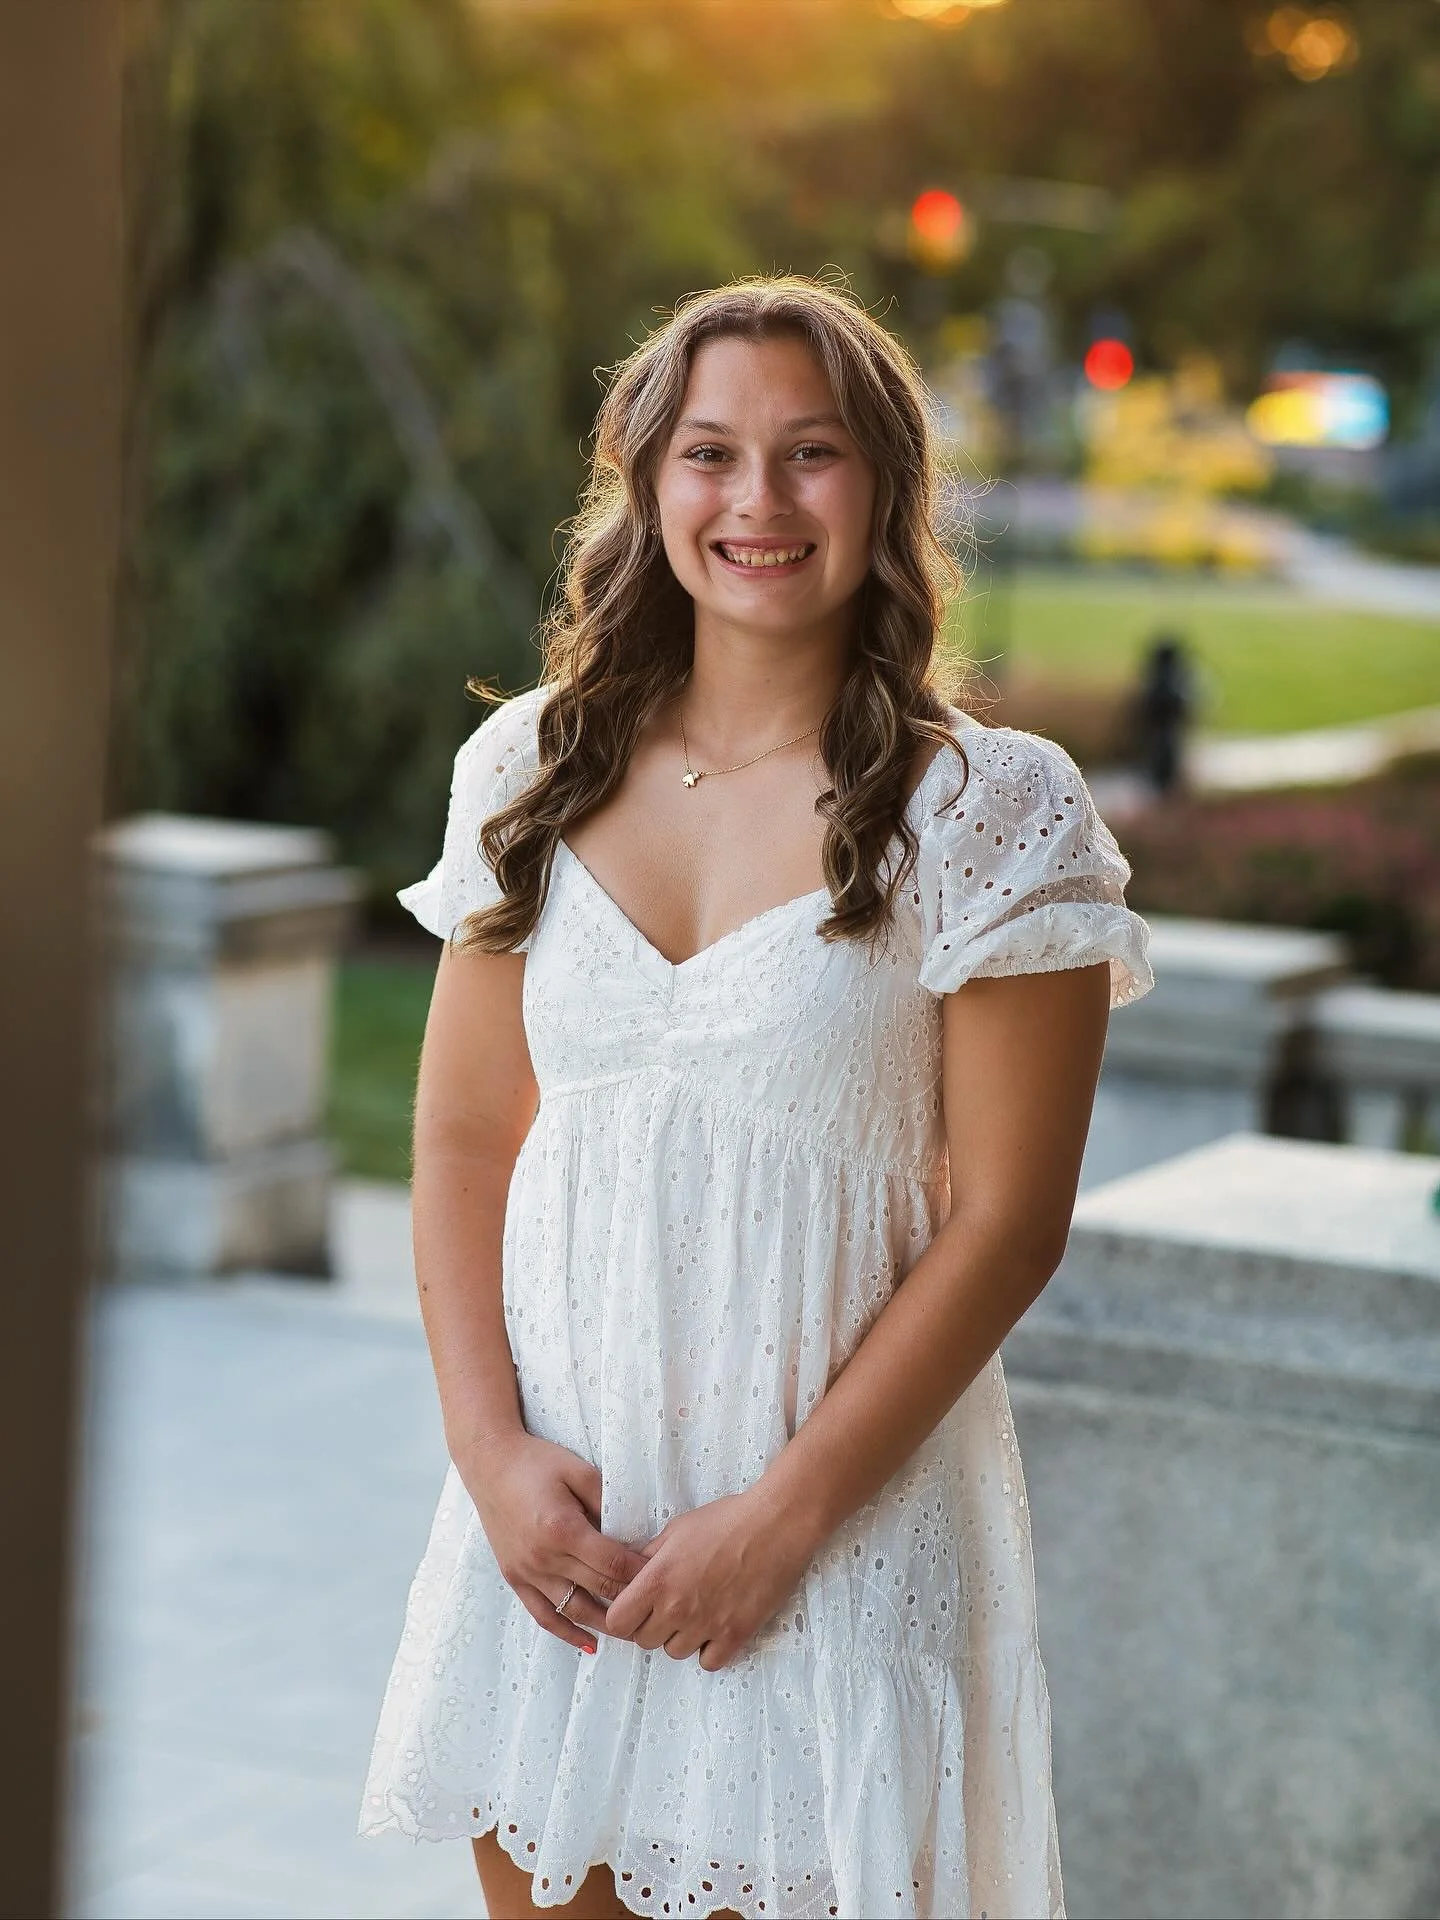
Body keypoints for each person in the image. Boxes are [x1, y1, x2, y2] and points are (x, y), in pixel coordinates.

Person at [358, 275, 1153, 1920]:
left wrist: (780, 1523)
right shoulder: (529, 767)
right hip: (562, 1545)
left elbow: (1010, 1225)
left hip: (827, 1552)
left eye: (812, 454)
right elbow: (455, 1138)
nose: (759, 502)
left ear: (886, 491)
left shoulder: (993, 815)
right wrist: (492, 1454)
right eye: (712, 454)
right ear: (649, 490)